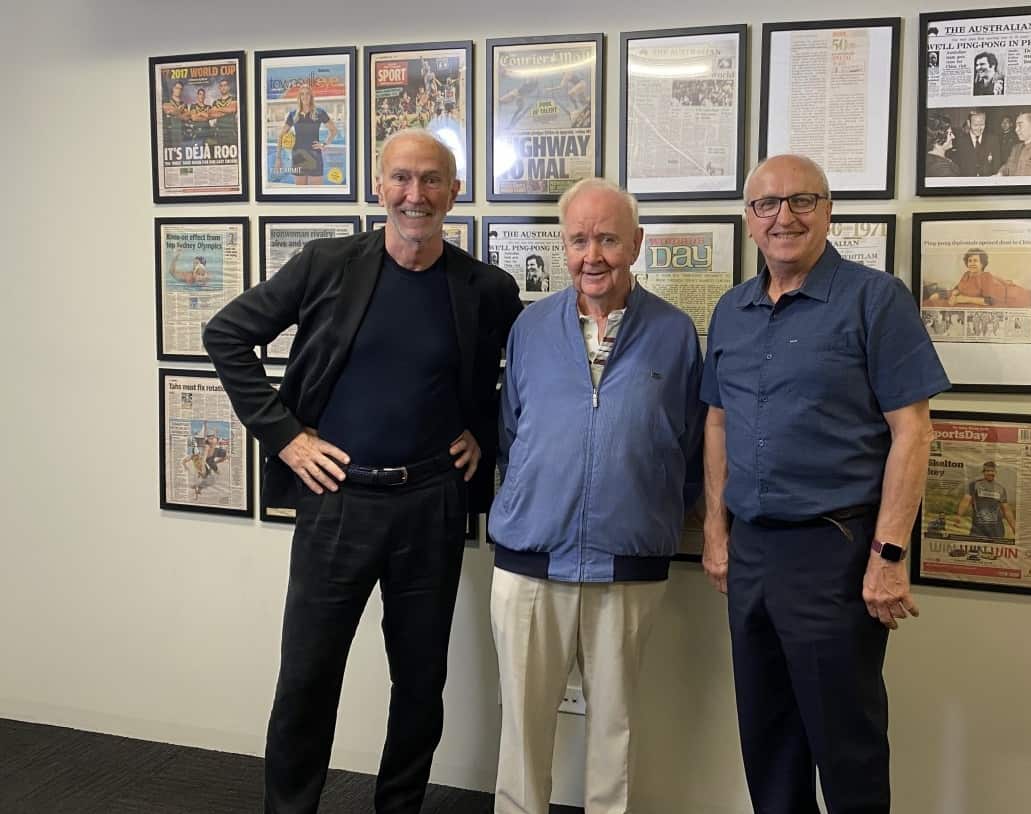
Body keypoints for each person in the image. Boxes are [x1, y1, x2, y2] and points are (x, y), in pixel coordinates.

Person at [202, 129, 523, 812]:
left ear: (454, 192)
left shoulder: (485, 287)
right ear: (378, 187)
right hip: (336, 503)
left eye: (432, 180)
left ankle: (398, 807)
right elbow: (225, 334)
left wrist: (484, 435)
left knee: (419, 680)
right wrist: (285, 436)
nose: (417, 195)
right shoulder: (326, 265)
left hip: (430, 503)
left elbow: (525, 382)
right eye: (402, 179)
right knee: (308, 678)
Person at [700, 154, 949, 814]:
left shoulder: (874, 299)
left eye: (801, 201)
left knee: (847, 747)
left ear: (829, 210)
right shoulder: (733, 309)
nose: (784, 217)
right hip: (750, 553)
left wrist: (889, 555)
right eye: (766, 204)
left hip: (834, 553)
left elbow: (914, 432)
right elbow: (718, 422)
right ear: (749, 220)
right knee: (768, 739)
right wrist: (714, 528)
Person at [487, 177, 704, 814]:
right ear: (564, 246)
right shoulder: (530, 328)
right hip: (530, 559)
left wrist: (654, 507)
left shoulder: (675, 332)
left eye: (608, 238)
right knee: (522, 730)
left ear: (635, 243)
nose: (593, 255)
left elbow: (689, 444)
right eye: (579, 240)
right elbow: (511, 432)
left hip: (628, 562)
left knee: (616, 729)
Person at [273, 84, 339, 185]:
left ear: (311, 96)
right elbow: (281, 135)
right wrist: (278, 158)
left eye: (307, 94)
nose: (305, 96)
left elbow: (333, 130)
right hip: (298, 157)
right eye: (302, 94)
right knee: (300, 195)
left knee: (316, 195)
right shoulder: (293, 115)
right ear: (299, 97)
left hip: (315, 156)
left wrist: (324, 144)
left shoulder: (319, 113)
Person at [945, 248, 1031, 308]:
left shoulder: (986, 276)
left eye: (975, 261)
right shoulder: (966, 274)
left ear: (982, 263)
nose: (971, 263)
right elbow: (958, 287)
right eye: (970, 261)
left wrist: (962, 299)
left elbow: (990, 301)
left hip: (1014, 297)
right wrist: (954, 294)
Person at [956, 461, 1015, 539]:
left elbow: (1006, 510)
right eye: (988, 471)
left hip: (997, 531)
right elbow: (966, 501)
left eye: (992, 471)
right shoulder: (974, 485)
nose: (990, 473)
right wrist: (959, 516)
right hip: (978, 530)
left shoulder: (1001, 488)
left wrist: (1013, 527)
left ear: (995, 472)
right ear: (983, 472)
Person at [996, 110, 1031, 176]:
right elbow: (1007, 168)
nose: (1016, 129)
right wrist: (1000, 173)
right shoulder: (1016, 148)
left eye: (1020, 125)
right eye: (1016, 126)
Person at [949, 111, 1000, 176]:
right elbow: (957, 168)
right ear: (968, 123)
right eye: (975, 125)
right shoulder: (960, 142)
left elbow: (997, 166)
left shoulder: (993, 140)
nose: (979, 128)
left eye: (982, 125)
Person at [924, 112, 960, 177]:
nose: (953, 136)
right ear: (938, 139)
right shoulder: (940, 169)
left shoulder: (931, 158)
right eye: (950, 134)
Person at [208, 77, 239, 147]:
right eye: (221, 86)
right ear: (219, 88)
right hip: (220, 133)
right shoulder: (216, 102)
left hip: (231, 132)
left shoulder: (234, 98)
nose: (223, 87)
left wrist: (217, 109)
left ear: (228, 87)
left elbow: (233, 109)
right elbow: (213, 115)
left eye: (225, 85)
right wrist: (227, 110)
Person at [162, 79, 188, 147]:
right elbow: (170, 111)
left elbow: (186, 117)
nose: (178, 90)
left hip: (181, 133)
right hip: (170, 133)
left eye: (180, 89)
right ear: (173, 88)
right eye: (177, 88)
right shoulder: (167, 101)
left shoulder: (183, 104)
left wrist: (175, 113)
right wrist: (179, 112)